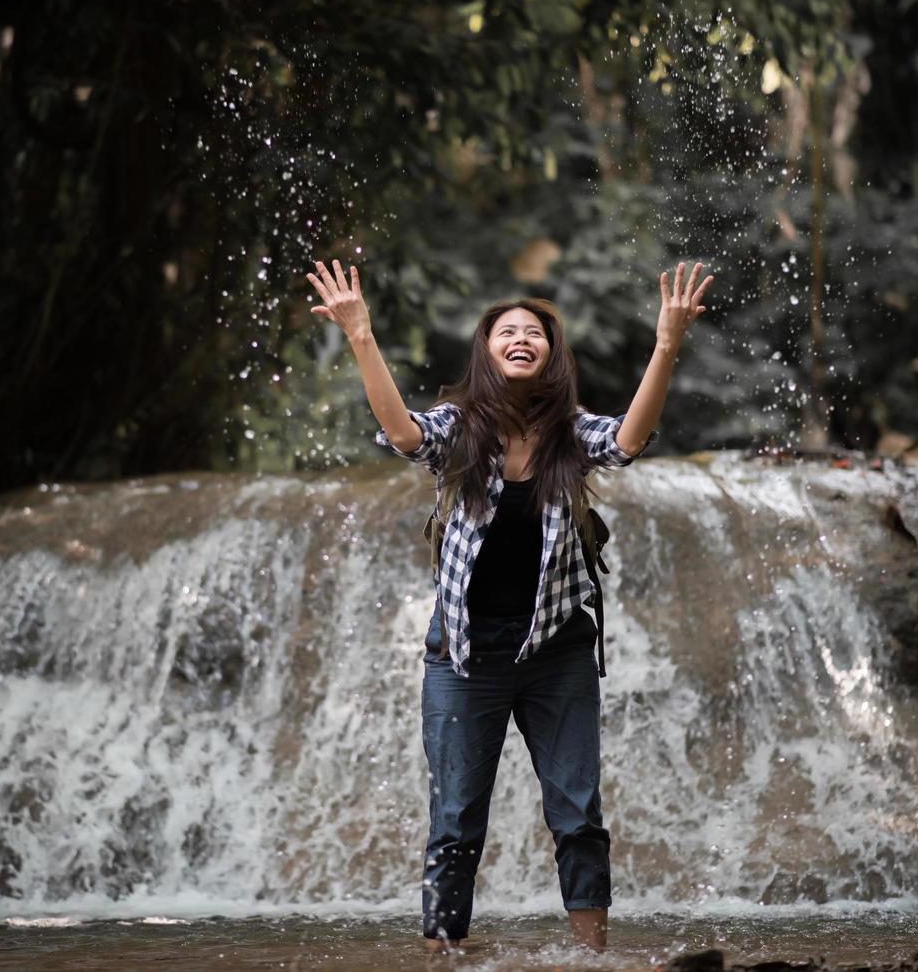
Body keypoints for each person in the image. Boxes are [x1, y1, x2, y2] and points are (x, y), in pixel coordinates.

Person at [305, 258, 713, 953]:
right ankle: (440, 957)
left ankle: (591, 957)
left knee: (578, 816)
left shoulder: (569, 433)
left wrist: (666, 342)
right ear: (487, 353)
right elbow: (404, 436)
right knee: (455, 820)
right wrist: (359, 333)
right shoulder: (458, 429)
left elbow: (625, 442)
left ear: (552, 357)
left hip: (556, 654)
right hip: (463, 658)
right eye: (506, 332)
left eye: (535, 333)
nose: (521, 338)